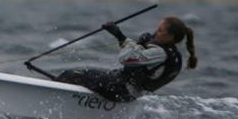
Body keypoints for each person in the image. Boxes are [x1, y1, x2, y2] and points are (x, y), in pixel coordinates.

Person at [55, 16, 198, 102]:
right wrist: (124, 38)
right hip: (126, 89)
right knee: (82, 75)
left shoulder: (160, 53)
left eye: (160, 31)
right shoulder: (168, 52)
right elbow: (136, 57)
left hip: (121, 89)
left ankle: (53, 98)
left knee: (70, 75)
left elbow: (126, 58)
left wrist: (120, 35)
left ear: (170, 37)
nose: (155, 33)